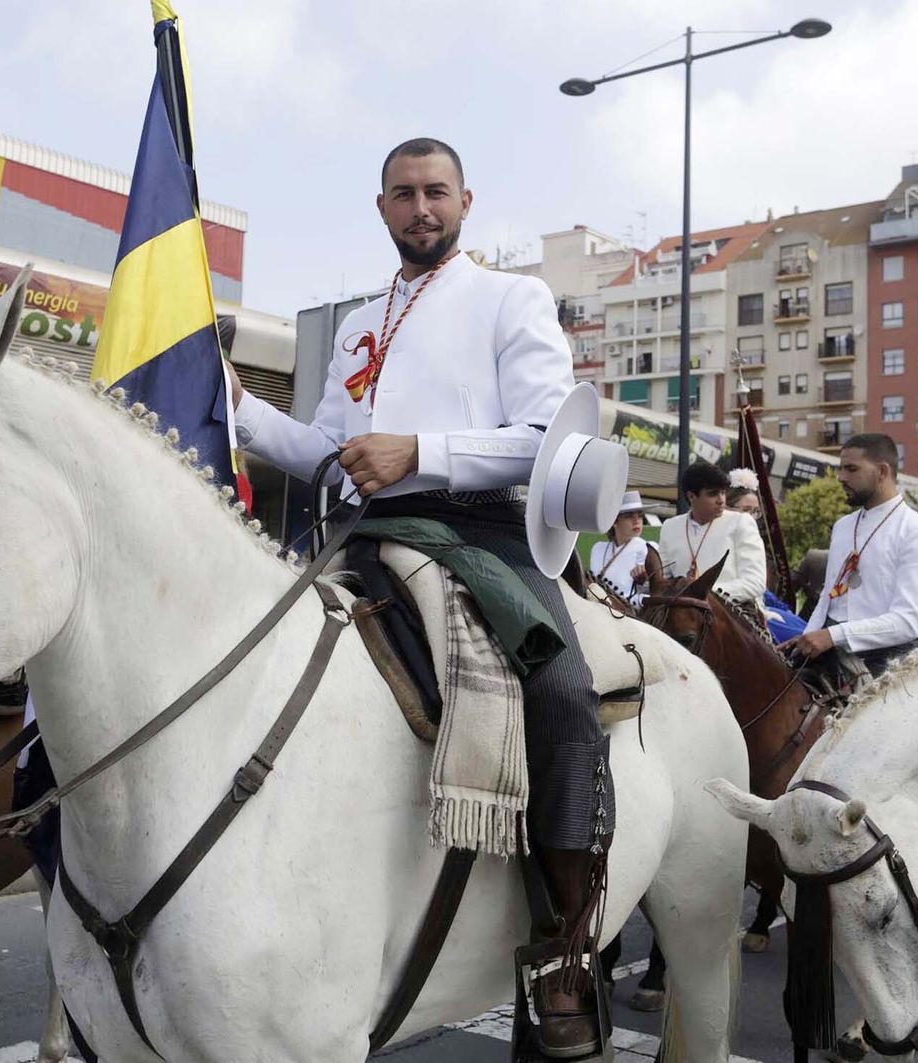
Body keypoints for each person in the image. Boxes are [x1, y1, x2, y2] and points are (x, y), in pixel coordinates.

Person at [225, 138, 611, 1058]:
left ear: (465, 202)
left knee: (562, 698)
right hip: (361, 534)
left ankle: (563, 952)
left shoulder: (511, 297)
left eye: (436, 191)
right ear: (382, 207)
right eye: (403, 194)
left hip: (479, 529)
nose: (420, 207)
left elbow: (542, 437)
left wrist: (419, 451)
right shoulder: (362, 322)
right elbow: (324, 449)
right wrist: (233, 401)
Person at [783, 434, 918, 676]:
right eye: (840, 469)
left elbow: (908, 621)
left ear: (882, 472)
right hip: (828, 655)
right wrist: (806, 640)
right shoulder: (843, 526)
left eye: (851, 469)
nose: (841, 477)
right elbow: (829, 598)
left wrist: (832, 636)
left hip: (887, 666)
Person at [656, 462, 766, 603]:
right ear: (691, 496)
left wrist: (703, 592)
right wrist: (644, 577)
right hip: (681, 613)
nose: (721, 500)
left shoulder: (741, 522)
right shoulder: (670, 527)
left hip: (731, 616)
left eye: (723, 492)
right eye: (713, 494)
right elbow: (661, 579)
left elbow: (755, 582)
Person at [588, 491, 659, 608]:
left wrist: (645, 583)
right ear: (615, 521)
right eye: (629, 516)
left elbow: (657, 592)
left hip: (629, 615)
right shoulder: (598, 548)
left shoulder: (648, 548)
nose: (637, 521)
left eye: (640, 515)